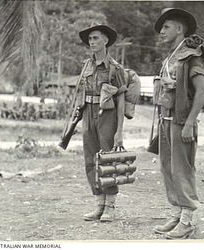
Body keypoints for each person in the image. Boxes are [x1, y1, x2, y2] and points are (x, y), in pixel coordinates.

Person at [153, 8, 204, 239]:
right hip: (165, 120)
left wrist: (189, 124)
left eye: (166, 27)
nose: (162, 32)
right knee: (168, 168)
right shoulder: (171, 57)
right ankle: (177, 214)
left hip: (181, 122)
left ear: (179, 29)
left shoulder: (191, 56)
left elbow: (201, 93)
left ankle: (187, 221)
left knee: (182, 170)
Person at [75, 23, 126, 222]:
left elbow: (121, 99)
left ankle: (111, 206)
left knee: (108, 158)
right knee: (90, 159)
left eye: (96, 38)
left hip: (107, 114)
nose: (92, 42)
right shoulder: (86, 66)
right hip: (88, 112)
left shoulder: (115, 68)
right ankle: (99, 204)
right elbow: (80, 92)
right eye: (90, 39)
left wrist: (119, 131)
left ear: (106, 40)